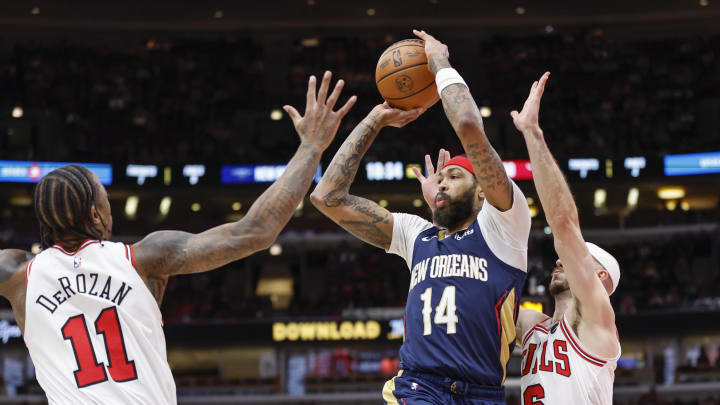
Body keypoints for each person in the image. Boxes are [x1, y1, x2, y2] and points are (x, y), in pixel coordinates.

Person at [0, 71, 355, 405]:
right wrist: (311, 147)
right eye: (106, 202)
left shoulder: (17, 275)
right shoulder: (144, 258)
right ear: (95, 214)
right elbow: (256, 231)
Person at [310, 30, 531, 405]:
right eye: (440, 178)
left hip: (482, 393)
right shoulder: (418, 235)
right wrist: (375, 119)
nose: (441, 183)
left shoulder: (504, 225)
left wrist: (439, 62)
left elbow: (467, 126)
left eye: (454, 177)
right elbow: (326, 197)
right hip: (418, 387)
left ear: (483, 191)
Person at [511, 72, 621, 404]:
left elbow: (563, 224)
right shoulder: (534, 327)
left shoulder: (596, 323)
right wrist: (446, 217)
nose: (561, 259)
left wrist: (532, 133)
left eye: (580, 257)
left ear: (599, 276)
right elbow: (478, 297)